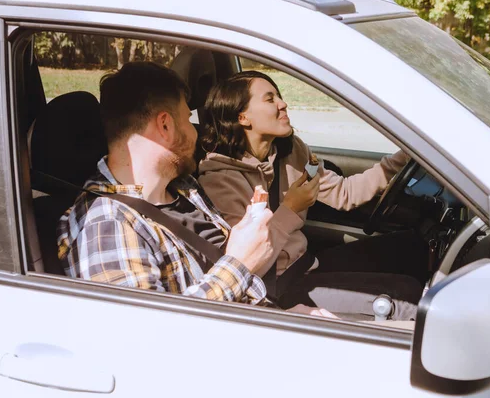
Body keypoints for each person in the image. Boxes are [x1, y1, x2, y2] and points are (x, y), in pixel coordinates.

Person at [56, 62, 335, 318]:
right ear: (165, 125)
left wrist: (285, 317)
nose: (195, 133)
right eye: (189, 120)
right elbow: (147, 334)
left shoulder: (184, 187)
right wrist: (240, 264)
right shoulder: (108, 225)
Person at [197, 71, 424, 318]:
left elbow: (344, 194)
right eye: (270, 98)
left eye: (279, 96)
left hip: (305, 263)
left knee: (414, 248)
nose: (283, 103)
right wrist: (290, 209)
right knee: (407, 296)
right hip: (276, 287)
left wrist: (407, 156)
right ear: (243, 117)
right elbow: (249, 264)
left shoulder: (291, 151)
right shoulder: (219, 178)